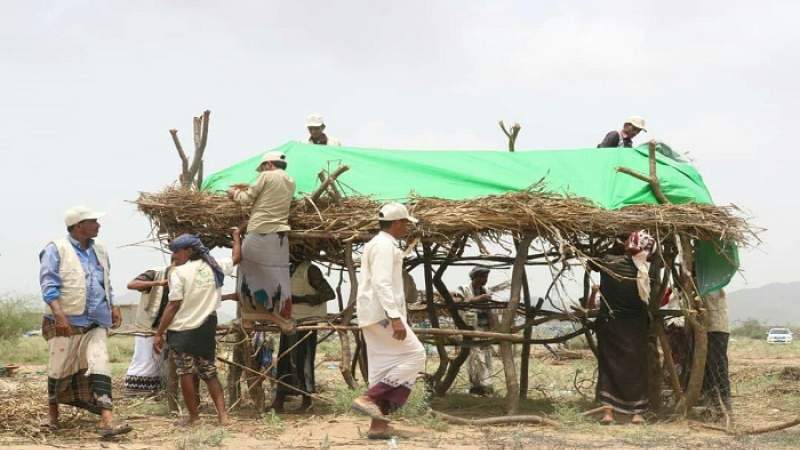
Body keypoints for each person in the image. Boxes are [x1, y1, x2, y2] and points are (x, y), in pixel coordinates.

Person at [38, 206, 131, 437]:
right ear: (79, 226)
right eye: (93, 221)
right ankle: (53, 417)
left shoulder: (100, 250)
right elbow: (48, 285)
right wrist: (59, 315)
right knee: (59, 368)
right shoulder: (56, 249)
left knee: (100, 364)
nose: (98, 225)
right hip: (67, 320)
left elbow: (105, 281)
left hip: (96, 319)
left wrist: (113, 306)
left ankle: (107, 421)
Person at [350, 203, 426, 440]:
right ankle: (369, 398)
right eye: (405, 223)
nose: (406, 228)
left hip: (372, 314)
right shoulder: (384, 246)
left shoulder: (376, 243)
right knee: (416, 355)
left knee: (382, 367)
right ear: (396, 223)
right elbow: (382, 283)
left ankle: (378, 426)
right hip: (383, 314)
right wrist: (395, 317)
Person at [152, 234, 235, 426]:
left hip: (183, 330)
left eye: (177, 251)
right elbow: (236, 257)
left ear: (189, 250)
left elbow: (174, 305)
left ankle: (194, 417)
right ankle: (223, 416)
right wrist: (237, 237)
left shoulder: (179, 273)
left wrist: (159, 333)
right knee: (209, 372)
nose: (174, 256)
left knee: (185, 372)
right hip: (206, 326)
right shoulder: (214, 266)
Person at [588, 230, 655, 425]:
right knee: (636, 367)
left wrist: (612, 245)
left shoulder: (609, 262)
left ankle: (608, 412)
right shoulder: (646, 270)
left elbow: (591, 263)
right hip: (636, 327)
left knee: (609, 365)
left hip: (611, 324)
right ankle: (637, 413)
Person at [228, 151, 296, 332]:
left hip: (260, 231)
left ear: (269, 165)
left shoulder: (266, 176)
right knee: (277, 276)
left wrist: (234, 193)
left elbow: (245, 199)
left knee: (247, 273)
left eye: (263, 167)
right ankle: (281, 314)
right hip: (279, 237)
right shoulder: (290, 180)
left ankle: (249, 318)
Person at [270, 256, 336, 412]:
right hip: (289, 321)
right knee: (284, 360)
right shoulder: (288, 270)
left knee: (304, 360)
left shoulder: (311, 270)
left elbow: (328, 293)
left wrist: (299, 299)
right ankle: (279, 401)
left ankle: (307, 401)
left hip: (306, 321)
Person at [123, 258, 174, 397]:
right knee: (144, 358)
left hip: (167, 327)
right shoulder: (155, 273)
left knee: (161, 360)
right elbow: (132, 284)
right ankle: (137, 392)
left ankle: (157, 391)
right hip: (147, 326)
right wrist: (157, 283)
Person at [458, 265, 496, 395]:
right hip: (471, 328)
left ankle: (486, 386)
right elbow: (461, 302)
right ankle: (476, 386)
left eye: (486, 277)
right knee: (474, 358)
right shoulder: (464, 289)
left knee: (486, 357)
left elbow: (490, 309)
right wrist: (479, 299)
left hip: (485, 329)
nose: (485, 280)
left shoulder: (485, 290)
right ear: (476, 277)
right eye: (483, 277)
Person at [703, 289, 732, 412]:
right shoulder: (714, 286)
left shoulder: (711, 287)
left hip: (715, 328)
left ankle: (718, 400)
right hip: (717, 328)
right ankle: (720, 399)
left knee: (714, 365)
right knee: (716, 365)